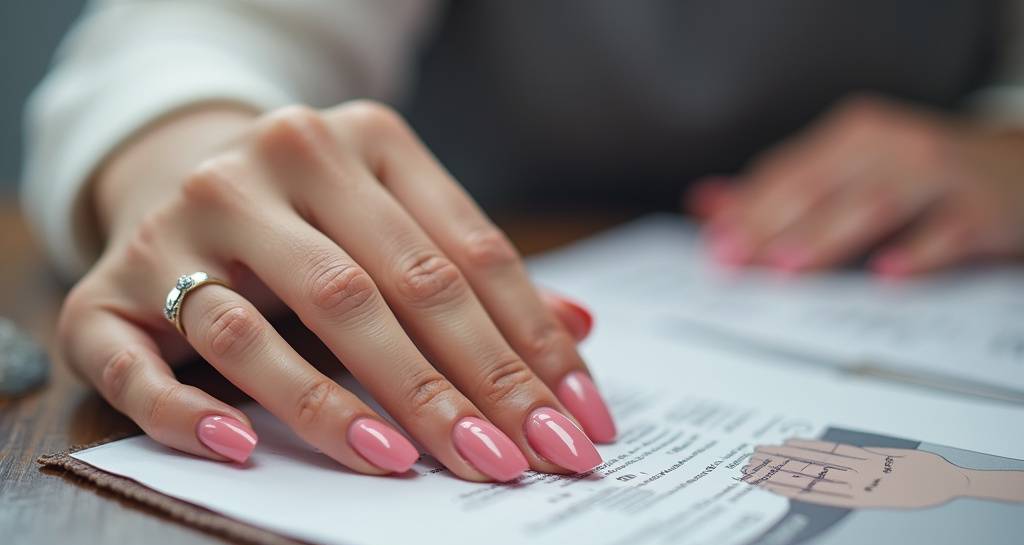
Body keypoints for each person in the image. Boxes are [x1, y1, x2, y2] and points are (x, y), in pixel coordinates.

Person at [22, 1, 1024, 482]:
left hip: (912, 294)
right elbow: (193, 34)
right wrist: (192, 162)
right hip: (433, 286)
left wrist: (1008, 139)